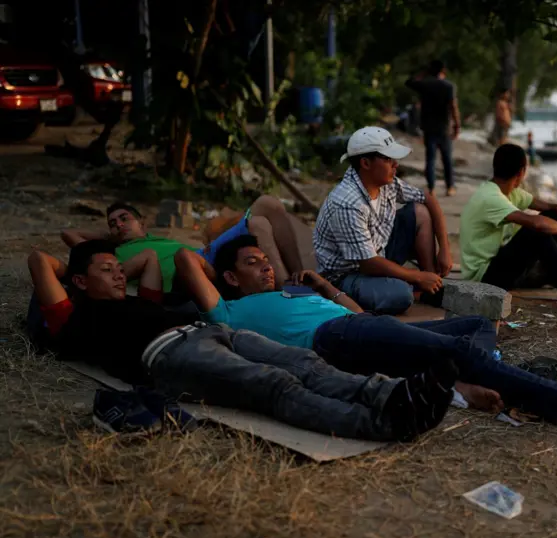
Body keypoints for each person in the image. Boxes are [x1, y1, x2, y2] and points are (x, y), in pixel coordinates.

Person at [173, 235, 557, 429]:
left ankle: (462, 386)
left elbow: (357, 309)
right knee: (460, 347)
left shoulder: (291, 294)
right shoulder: (230, 311)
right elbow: (183, 258)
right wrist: (218, 265)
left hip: (356, 325)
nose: (266, 269)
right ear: (230, 278)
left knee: (480, 325)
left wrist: (320, 285)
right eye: (252, 264)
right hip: (335, 341)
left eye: (265, 261)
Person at [27, 240, 454, 442]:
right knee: (273, 383)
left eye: (118, 268)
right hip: (170, 355)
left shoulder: (138, 299)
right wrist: (76, 270)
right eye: (106, 270)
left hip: (213, 333)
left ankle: (395, 395)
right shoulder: (76, 316)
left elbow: (149, 260)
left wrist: (104, 266)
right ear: (79, 281)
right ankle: (384, 423)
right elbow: (38, 260)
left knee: (308, 366)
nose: (120, 273)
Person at [313, 127, 453, 315]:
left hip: (379, 250)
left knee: (420, 212)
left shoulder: (387, 182)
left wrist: (444, 249)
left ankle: (432, 284)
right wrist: (416, 277)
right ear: (365, 163)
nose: (395, 164)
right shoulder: (347, 203)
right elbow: (368, 263)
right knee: (400, 295)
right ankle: (418, 287)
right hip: (348, 274)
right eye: (387, 159)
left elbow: (427, 198)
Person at [459, 144, 557, 308]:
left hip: (498, 266)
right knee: (536, 231)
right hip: (483, 279)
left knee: (553, 218)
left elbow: (554, 208)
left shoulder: (509, 192)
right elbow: (537, 224)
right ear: (522, 172)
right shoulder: (490, 197)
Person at [61, 195, 303, 293]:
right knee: (260, 222)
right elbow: (68, 234)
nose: (119, 225)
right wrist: (108, 236)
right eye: (113, 223)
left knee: (267, 207)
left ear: (142, 223)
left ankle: (298, 279)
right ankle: (289, 291)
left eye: (125, 219)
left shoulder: (156, 238)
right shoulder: (112, 254)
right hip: (187, 273)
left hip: (204, 255)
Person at [405, 59, 461, 198]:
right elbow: (453, 106)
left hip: (428, 127)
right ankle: (450, 187)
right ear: (444, 71)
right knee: (447, 158)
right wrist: (457, 125)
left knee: (430, 158)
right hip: (444, 128)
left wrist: (423, 73)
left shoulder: (425, 85)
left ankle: (431, 188)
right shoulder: (449, 86)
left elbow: (409, 81)